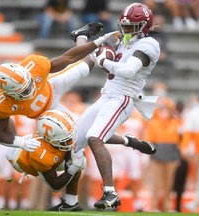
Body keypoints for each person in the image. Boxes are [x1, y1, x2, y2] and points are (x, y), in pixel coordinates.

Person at [0, 21, 115, 209]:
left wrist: (98, 43)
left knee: (88, 63)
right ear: (9, 93)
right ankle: (71, 202)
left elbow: (69, 57)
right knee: (75, 144)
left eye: (29, 84)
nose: (30, 90)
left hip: (52, 86)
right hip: (46, 113)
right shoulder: (1, 103)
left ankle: (81, 36)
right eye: (23, 92)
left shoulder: (35, 66)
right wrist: (19, 141)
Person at [53, 2, 160, 210]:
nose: (126, 30)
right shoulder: (122, 40)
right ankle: (71, 203)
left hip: (123, 98)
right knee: (73, 143)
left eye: (131, 27)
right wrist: (88, 41)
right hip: (106, 96)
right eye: (124, 26)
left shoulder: (149, 45)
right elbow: (88, 57)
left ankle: (110, 193)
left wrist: (104, 62)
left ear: (145, 26)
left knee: (95, 137)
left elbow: (128, 71)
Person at [5, 109, 86, 209]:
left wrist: (76, 159)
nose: (70, 140)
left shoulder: (54, 132)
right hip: (18, 158)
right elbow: (55, 186)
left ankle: (71, 202)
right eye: (66, 138)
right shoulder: (40, 155)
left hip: (44, 145)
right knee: (75, 163)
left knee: (76, 156)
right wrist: (74, 167)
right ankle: (25, 204)